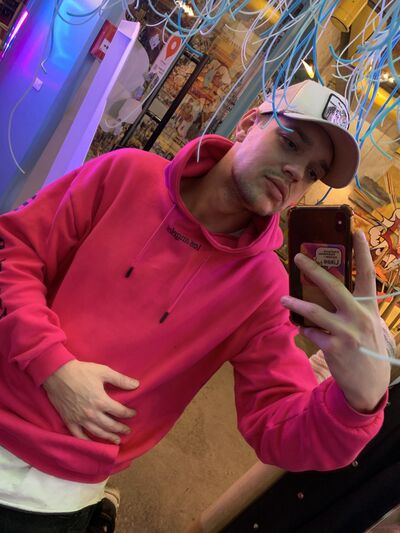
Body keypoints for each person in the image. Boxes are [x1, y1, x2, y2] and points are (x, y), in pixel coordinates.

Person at [0, 80, 391, 532]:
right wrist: (51, 364)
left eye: (313, 173)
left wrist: (357, 403)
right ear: (248, 124)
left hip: (56, 497)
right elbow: (15, 253)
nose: (295, 173)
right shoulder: (127, 174)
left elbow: (277, 427)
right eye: (290, 142)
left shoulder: (265, 288)